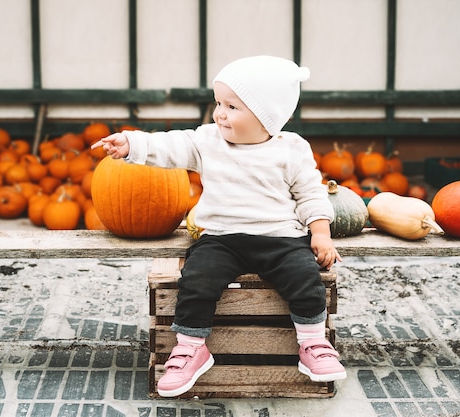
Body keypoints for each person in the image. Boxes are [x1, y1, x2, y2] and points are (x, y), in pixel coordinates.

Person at [92, 55, 347, 397]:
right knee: (197, 280)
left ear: (266, 116)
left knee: (305, 277)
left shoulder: (292, 149)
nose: (220, 113)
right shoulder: (208, 141)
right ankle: (191, 348)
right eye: (218, 103)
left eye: (232, 106)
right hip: (222, 239)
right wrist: (132, 144)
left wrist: (320, 233)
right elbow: (171, 145)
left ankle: (313, 345)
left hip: (281, 238)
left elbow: (310, 193)